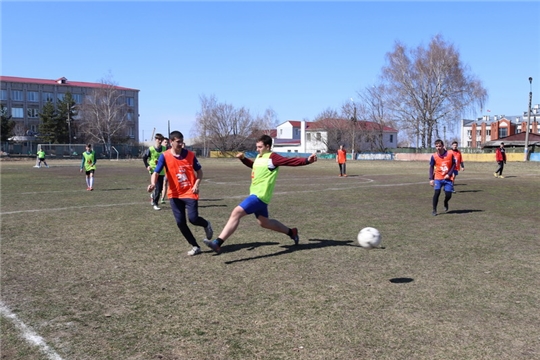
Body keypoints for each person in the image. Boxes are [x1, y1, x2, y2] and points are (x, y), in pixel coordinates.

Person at [204, 134, 318, 254]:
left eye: (259, 147)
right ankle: (291, 232)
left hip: (259, 196)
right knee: (264, 223)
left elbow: (289, 161)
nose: (257, 149)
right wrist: (243, 159)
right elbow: (254, 166)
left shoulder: (273, 158)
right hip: (257, 195)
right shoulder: (260, 157)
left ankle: (218, 243)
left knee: (236, 212)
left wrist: (307, 160)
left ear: (267, 146)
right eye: (257, 147)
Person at [147, 131, 213, 256]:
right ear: (171, 142)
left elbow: (199, 172)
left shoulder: (190, 155)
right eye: (178, 142)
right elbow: (156, 172)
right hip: (175, 194)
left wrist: (196, 185)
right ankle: (195, 246)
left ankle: (206, 224)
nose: (181, 144)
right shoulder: (165, 156)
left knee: (193, 219)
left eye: (182, 141)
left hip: (189, 192)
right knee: (180, 223)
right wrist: (153, 184)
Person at [429, 139, 455, 216]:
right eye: (436, 146)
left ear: (443, 146)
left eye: (440, 146)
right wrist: (431, 179)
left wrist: (449, 174)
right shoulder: (434, 156)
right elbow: (431, 167)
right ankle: (434, 210)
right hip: (438, 177)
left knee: (448, 195)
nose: (438, 148)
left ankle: (445, 202)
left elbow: (454, 164)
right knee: (437, 193)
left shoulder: (450, 154)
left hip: (448, 178)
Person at [142, 133, 167, 210]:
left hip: (162, 170)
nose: (160, 141)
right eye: (158, 139)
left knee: (159, 188)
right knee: (158, 186)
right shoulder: (151, 149)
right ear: (155, 140)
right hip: (153, 170)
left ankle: (153, 196)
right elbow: (144, 157)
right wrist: (147, 166)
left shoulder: (164, 149)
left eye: (161, 140)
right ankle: (155, 204)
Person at [160, 137, 171, 204]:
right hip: (160, 171)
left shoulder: (169, 150)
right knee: (160, 185)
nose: (166, 143)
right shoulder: (159, 150)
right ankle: (156, 194)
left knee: (165, 183)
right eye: (165, 142)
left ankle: (162, 198)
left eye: (167, 142)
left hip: (168, 170)